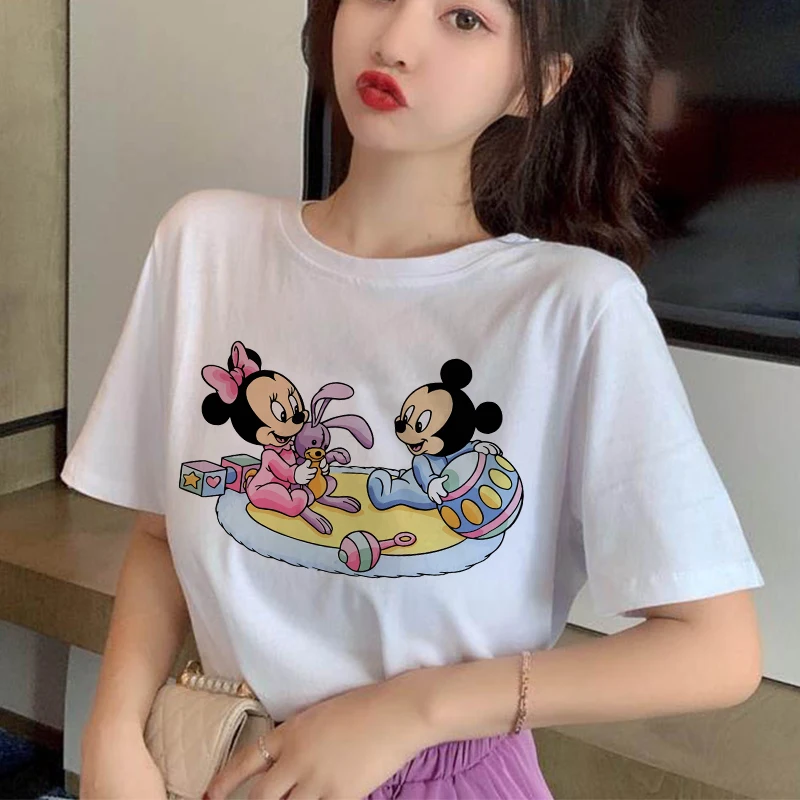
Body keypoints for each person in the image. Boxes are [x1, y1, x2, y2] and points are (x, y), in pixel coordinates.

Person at [62, 0, 766, 798]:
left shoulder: (575, 308)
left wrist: (412, 713)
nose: (394, 41)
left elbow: (717, 649)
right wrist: (112, 732)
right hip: (214, 765)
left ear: (536, 82)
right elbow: (163, 533)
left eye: (463, 18)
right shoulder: (204, 246)